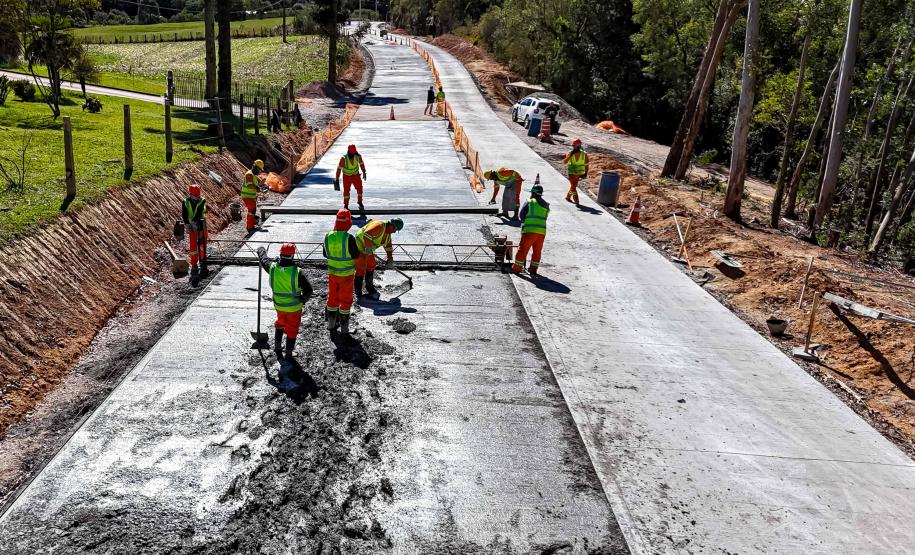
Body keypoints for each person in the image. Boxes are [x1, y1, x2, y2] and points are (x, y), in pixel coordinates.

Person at [257, 243, 314, 362]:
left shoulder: (272, 268)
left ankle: (277, 348)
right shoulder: (298, 272)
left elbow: (264, 260)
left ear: (280, 254)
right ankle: (288, 354)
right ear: (292, 255)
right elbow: (309, 290)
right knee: (292, 329)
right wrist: (302, 300)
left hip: (279, 306)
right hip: (294, 308)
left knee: (280, 323)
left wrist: (261, 250)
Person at [323, 209, 360, 335]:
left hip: (332, 274)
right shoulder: (349, 238)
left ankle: (331, 325)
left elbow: (325, 253)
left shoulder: (328, 236)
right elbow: (355, 254)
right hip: (346, 276)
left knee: (332, 299)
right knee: (345, 301)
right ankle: (344, 330)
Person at [355, 218, 404, 301]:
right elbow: (366, 234)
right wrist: (368, 247)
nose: (395, 232)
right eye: (395, 230)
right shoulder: (379, 226)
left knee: (371, 265)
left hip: (367, 250)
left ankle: (370, 288)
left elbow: (388, 246)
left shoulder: (387, 234)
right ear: (392, 226)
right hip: (358, 247)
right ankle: (358, 292)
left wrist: (390, 258)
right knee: (361, 268)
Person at [512, 185, 550, 276]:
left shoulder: (530, 202)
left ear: (533, 193)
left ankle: (517, 268)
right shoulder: (546, 205)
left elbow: (522, 215)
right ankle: (533, 269)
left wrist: (525, 222)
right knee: (537, 251)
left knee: (523, 249)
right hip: (541, 232)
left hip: (529, 230)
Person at [182, 183, 209, 286]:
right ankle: (194, 265)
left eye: (198, 196)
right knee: (193, 247)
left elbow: (199, 212)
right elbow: (184, 214)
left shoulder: (202, 200)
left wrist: (194, 222)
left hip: (201, 225)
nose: (197, 198)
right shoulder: (185, 202)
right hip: (192, 227)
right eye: (195, 196)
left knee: (202, 245)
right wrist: (187, 224)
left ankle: (203, 264)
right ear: (190, 194)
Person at [335, 144, 367, 213]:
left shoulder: (357, 156)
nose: (353, 154)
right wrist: (337, 178)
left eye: (354, 152)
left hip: (356, 175)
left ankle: (360, 202)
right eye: (352, 153)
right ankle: (346, 205)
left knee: (360, 189)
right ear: (349, 152)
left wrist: (364, 171)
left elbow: (361, 163)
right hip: (347, 177)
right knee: (346, 191)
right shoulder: (343, 158)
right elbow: (339, 169)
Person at [240, 159, 265, 233]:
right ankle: (250, 227)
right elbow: (250, 185)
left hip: (251, 196)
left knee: (253, 211)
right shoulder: (249, 174)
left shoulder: (253, 175)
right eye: (259, 170)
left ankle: (251, 226)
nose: (260, 172)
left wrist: (262, 186)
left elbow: (256, 185)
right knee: (251, 211)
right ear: (256, 168)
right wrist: (259, 189)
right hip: (247, 196)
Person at [562, 139, 589, 204]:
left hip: (578, 173)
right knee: (573, 186)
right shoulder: (570, 153)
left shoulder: (584, 154)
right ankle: (576, 200)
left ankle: (568, 197)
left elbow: (586, 165)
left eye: (576, 146)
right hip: (571, 172)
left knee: (573, 186)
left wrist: (586, 173)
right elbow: (564, 162)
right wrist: (570, 155)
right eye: (574, 146)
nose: (575, 147)